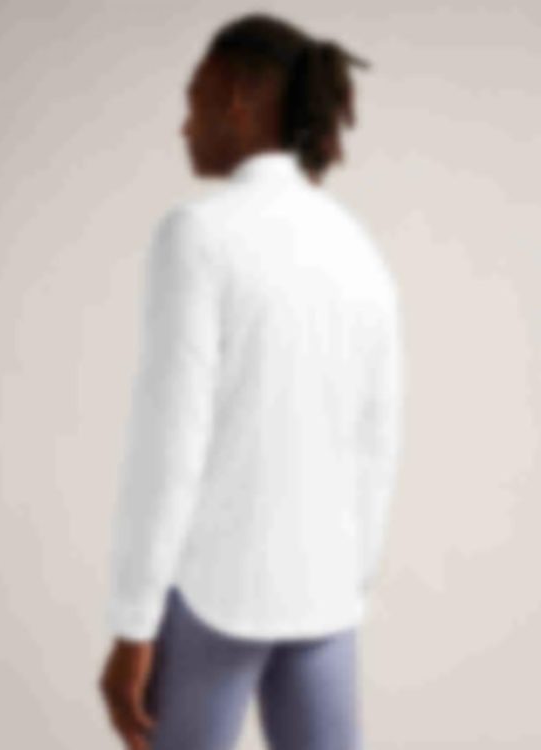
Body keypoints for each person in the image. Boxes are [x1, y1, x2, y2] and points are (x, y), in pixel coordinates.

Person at [99, 12, 404, 750]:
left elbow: (170, 444)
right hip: (326, 596)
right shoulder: (355, 246)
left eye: (195, 100)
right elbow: (379, 439)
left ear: (236, 97)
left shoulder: (198, 235)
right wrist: (350, 578)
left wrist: (134, 621)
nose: (184, 126)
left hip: (217, 594)